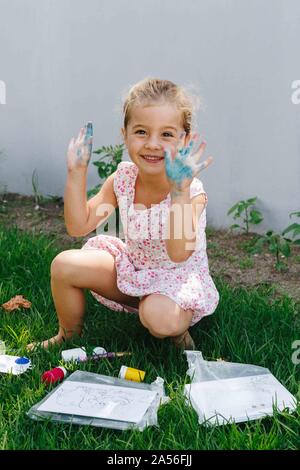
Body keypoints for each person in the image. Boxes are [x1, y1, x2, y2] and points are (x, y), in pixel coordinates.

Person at [27, 77, 219, 351]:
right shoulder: (124, 179)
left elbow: (178, 253)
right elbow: (78, 225)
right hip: (135, 270)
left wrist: (179, 190)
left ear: (184, 139)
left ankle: (180, 335)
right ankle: (68, 335)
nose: (152, 144)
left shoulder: (192, 192)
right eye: (141, 132)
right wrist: (76, 173)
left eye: (166, 134)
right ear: (124, 134)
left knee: (158, 318)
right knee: (64, 265)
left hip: (176, 282)